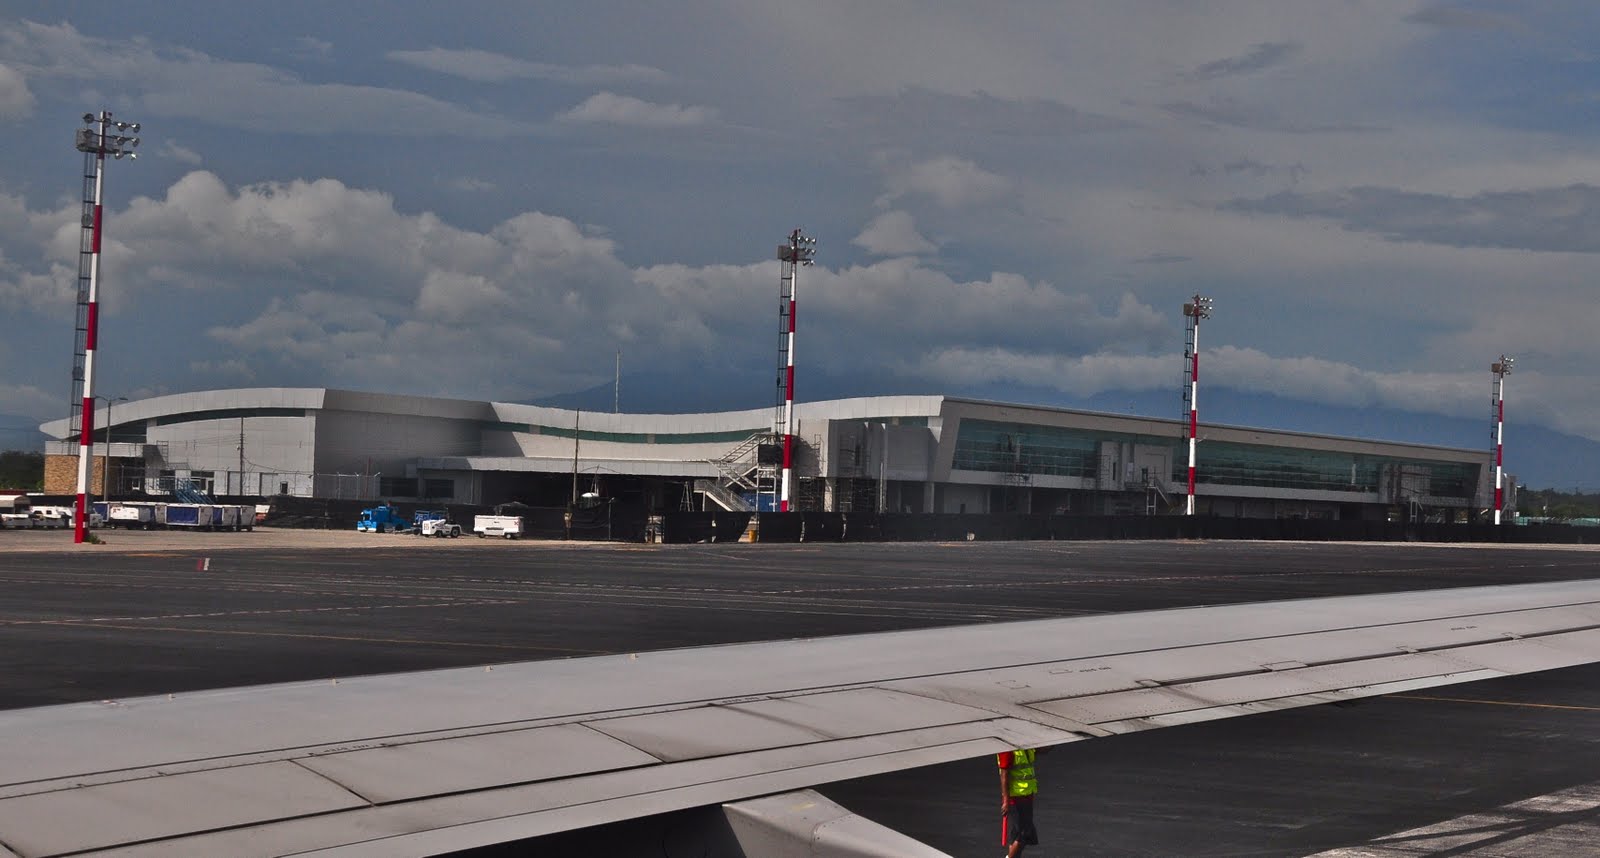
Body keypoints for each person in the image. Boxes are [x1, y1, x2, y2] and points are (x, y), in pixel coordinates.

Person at [998, 747, 1041, 857]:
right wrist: (1006, 801)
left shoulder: (1025, 745)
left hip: (1027, 793)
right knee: (1024, 833)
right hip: (1015, 797)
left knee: (1018, 833)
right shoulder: (1007, 749)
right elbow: (1004, 774)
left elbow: (1041, 750)